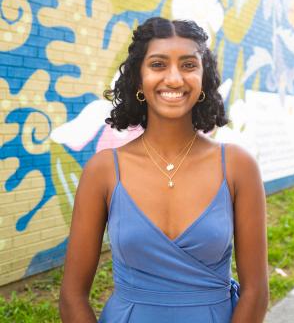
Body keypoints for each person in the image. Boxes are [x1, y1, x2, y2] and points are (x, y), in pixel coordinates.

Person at [59, 17, 269, 323]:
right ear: (138, 80)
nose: (174, 79)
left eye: (188, 65)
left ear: (203, 79)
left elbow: (256, 292)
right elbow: (72, 296)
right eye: (158, 65)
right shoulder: (103, 170)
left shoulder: (238, 166)